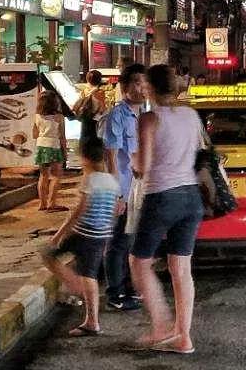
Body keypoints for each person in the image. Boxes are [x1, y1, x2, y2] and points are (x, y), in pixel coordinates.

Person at [129, 64, 205, 355]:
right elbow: (197, 152)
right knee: (181, 268)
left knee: (139, 262)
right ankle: (183, 336)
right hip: (191, 198)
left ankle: (160, 325)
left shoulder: (149, 118)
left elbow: (143, 166)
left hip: (162, 196)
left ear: (149, 86)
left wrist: (132, 160)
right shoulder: (191, 114)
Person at [41, 137, 119, 338]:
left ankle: (75, 287)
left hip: (84, 233)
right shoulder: (112, 181)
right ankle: (91, 318)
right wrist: (107, 235)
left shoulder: (90, 179)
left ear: (84, 158)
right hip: (100, 235)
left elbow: (79, 210)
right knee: (89, 274)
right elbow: (114, 212)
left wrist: (59, 234)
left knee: (48, 254)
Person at [102, 62, 147, 311]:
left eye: (144, 83)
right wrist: (117, 193)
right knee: (119, 241)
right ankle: (115, 293)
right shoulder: (117, 115)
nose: (141, 88)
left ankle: (129, 288)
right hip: (123, 189)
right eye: (136, 83)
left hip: (139, 189)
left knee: (131, 241)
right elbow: (111, 157)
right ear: (124, 87)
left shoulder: (144, 113)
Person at [33, 91, 67, 211]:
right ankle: (52, 203)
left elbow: (34, 134)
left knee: (43, 175)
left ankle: (42, 204)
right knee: (56, 175)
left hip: (41, 146)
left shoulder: (37, 116)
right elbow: (62, 136)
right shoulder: (59, 117)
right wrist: (65, 151)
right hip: (53, 145)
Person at [75, 70, 107, 145]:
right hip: (95, 122)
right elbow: (103, 110)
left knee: (85, 144)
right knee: (95, 144)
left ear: (87, 79)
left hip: (85, 121)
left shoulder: (83, 92)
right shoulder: (100, 93)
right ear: (99, 80)